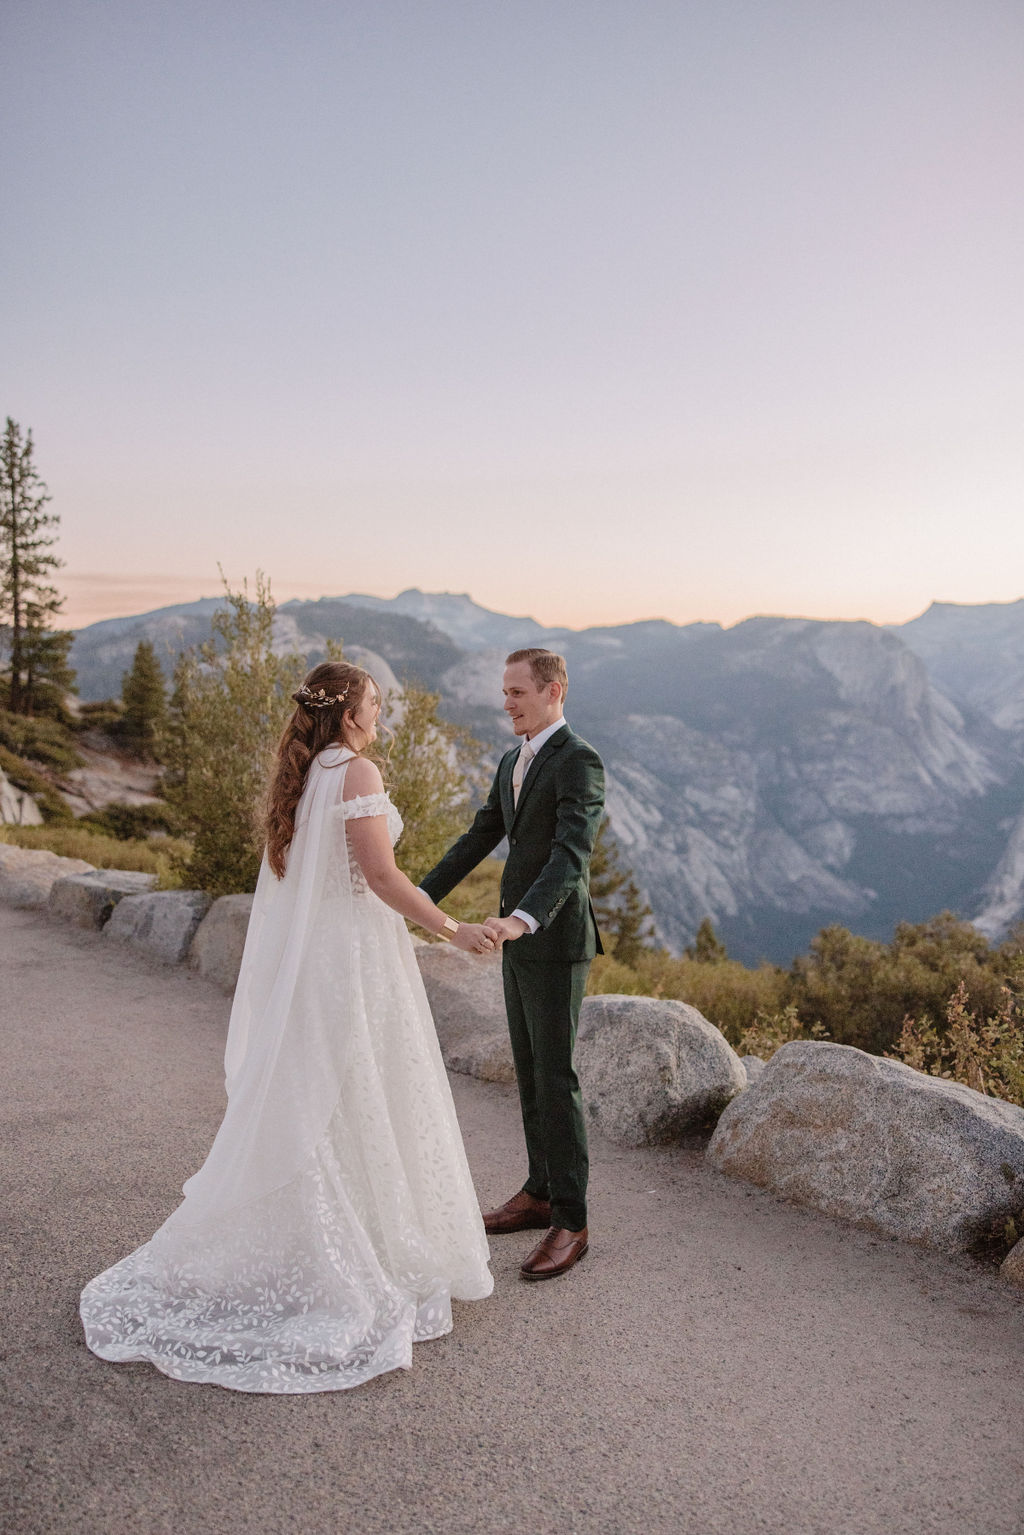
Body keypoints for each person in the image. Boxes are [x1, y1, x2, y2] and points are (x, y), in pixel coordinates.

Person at [80, 661, 495, 1393]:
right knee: (353, 1085)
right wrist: (450, 927)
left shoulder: (303, 774)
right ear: (350, 713)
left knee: (324, 1090)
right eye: (374, 703)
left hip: (321, 955)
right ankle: (350, 1249)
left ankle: (332, 1235)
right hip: (353, 953)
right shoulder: (355, 773)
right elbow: (380, 876)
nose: (381, 715)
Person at [420, 649, 605, 1280]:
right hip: (517, 941)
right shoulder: (511, 760)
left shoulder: (580, 760)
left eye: (518, 692)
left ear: (554, 690)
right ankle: (538, 1194)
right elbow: (478, 837)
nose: (507, 703)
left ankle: (572, 1222)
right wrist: (416, 900)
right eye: (505, 692)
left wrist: (521, 918)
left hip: (553, 941)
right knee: (527, 1072)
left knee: (557, 1079)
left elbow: (570, 855)